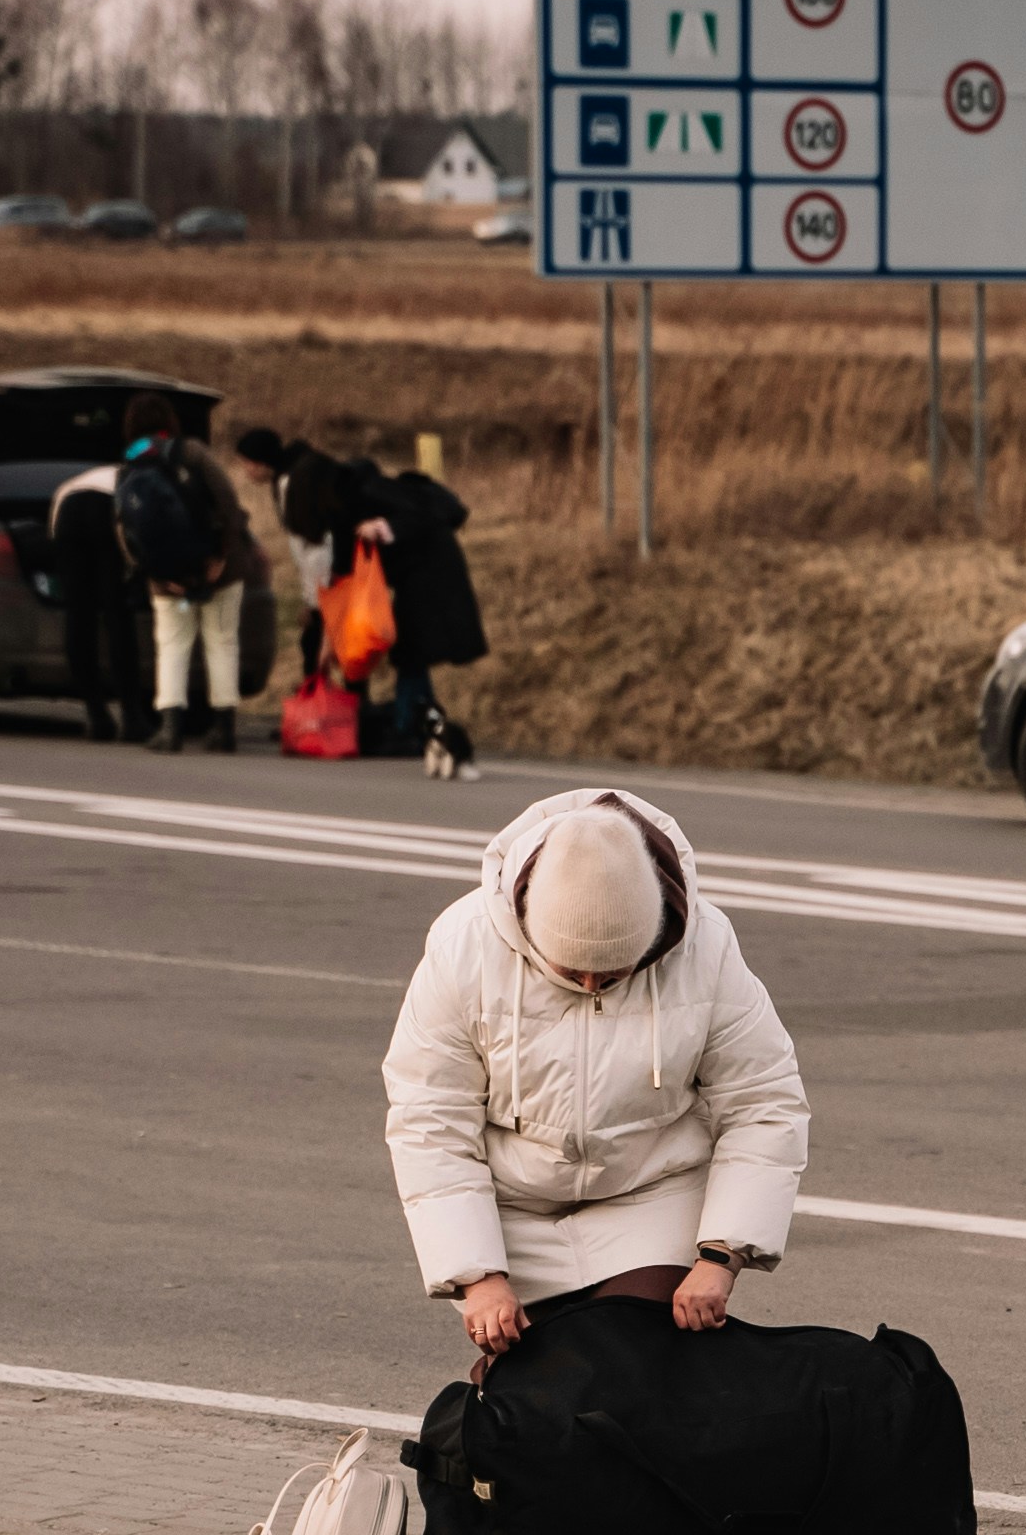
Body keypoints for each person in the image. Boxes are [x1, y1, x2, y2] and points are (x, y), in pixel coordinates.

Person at [382, 787, 808, 1365]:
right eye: (571, 969)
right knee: (536, 1392)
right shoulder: (463, 949)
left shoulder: (706, 948)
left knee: (620, 1364)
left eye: (613, 972)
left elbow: (764, 1101)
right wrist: (477, 1275)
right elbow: (429, 1121)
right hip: (513, 1212)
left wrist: (720, 1255)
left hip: (650, 1196)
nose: (591, 986)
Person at [235, 428, 488, 780]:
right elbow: (340, 584)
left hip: (432, 576)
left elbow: (431, 516)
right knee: (410, 655)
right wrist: (327, 641)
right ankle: (422, 726)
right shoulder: (343, 519)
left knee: (412, 654)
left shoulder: (367, 495)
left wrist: (384, 526)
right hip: (411, 582)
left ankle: (413, 727)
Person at [116, 395, 262, 753]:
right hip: (220, 570)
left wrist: (153, 572)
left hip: (165, 579)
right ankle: (224, 729)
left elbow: (124, 529)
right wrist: (221, 558)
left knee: (172, 646)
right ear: (171, 421)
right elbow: (228, 502)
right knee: (222, 642)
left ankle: (170, 729)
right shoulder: (192, 453)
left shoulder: (129, 465)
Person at [46, 455, 152, 745]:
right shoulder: (141, 478)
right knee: (117, 612)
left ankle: (96, 714)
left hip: (66, 512)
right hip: (107, 510)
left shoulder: (78, 480)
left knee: (79, 616)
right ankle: (132, 717)